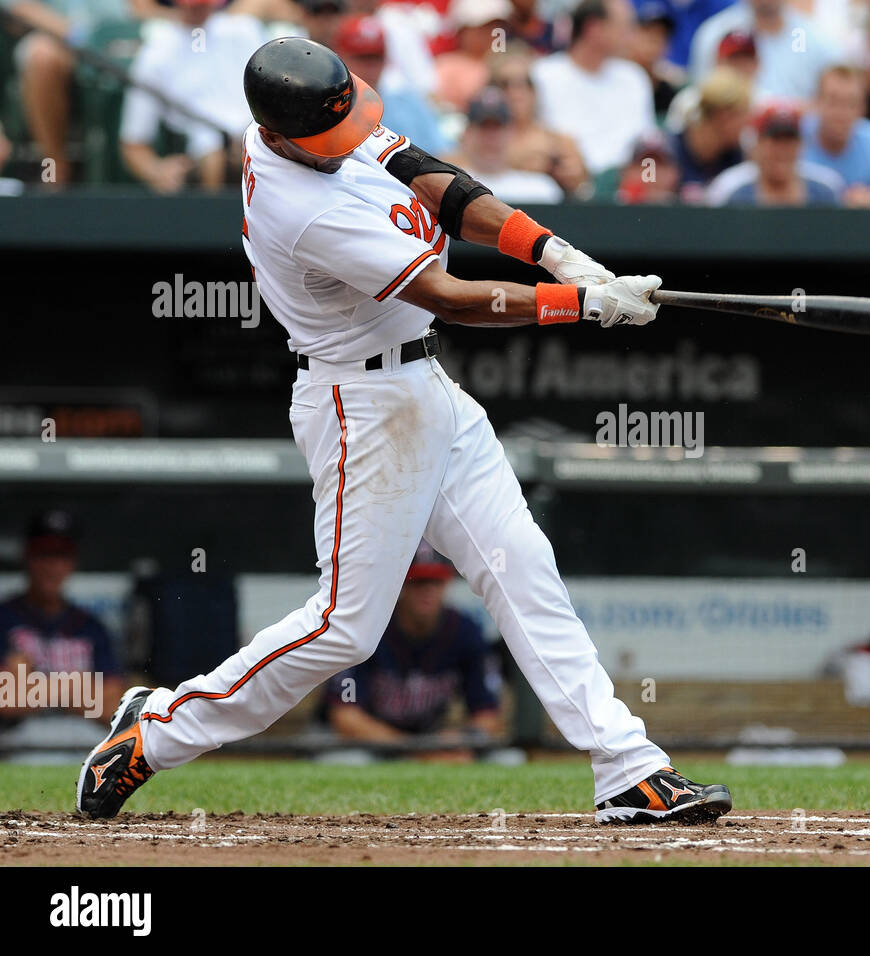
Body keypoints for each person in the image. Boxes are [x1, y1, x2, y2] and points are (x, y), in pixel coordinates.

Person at [77, 37, 731, 827]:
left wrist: (554, 252)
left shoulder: (317, 124)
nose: (351, 137)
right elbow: (451, 296)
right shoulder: (298, 204)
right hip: (362, 403)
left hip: (425, 386)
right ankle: (158, 730)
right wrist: (580, 305)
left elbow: (437, 183)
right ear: (280, 137)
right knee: (345, 628)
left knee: (521, 564)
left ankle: (627, 766)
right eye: (331, 135)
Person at [325, 544, 501, 746]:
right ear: (401, 585)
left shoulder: (465, 632)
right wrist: (413, 749)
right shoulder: (368, 628)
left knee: (507, 759)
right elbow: (345, 717)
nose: (427, 591)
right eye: (418, 581)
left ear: (446, 584)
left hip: (431, 739)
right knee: (349, 761)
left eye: (435, 581)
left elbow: (487, 715)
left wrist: (462, 738)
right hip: (369, 743)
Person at [6, 0, 165, 188]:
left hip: (120, 42)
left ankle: (156, 162)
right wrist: (72, 33)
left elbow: (143, 10)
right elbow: (19, 6)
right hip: (63, 40)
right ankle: (56, 168)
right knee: (41, 56)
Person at [119, 0, 268, 192]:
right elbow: (134, 143)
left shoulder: (245, 30)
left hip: (258, 144)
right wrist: (156, 170)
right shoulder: (156, 52)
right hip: (195, 162)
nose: (197, 7)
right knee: (213, 157)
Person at [0, 511, 125, 730]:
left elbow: (115, 708)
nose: (52, 566)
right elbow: (5, 701)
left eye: (61, 555)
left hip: (84, 745)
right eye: (43, 554)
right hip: (16, 748)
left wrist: (32, 688)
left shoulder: (91, 628)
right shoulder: (5, 619)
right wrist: (78, 688)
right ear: (27, 557)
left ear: (72, 562)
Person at [531, 0, 656, 176]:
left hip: (626, 189)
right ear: (594, 28)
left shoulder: (634, 77)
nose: (632, 36)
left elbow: (647, 142)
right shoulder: (542, 75)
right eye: (624, 27)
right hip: (562, 187)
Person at [333, 13, 447, 153]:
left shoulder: (408, 102)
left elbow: (445, 153)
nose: (370, 67)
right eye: (361, 58)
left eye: (376, 58)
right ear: (340, 58)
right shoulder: (326, 105)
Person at [802, 64, 870, 207]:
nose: (841, 112)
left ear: (863, 108)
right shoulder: (791, 138)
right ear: (817, 102)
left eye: (851, 103)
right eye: (833, 101)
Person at [689, 0, 840, 100]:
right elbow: (701, 99)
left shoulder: (819, 41)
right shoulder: (715, 34)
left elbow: (833, 106)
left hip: (796, 140)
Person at [491, 46, 589, 195]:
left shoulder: (559, 142)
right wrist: (520, 161)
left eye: (525, 83)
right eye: (505, 84)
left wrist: (568, 174)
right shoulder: (477, 138)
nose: (516, 93)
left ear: (535, 91)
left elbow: (582, 187)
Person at [708, 102, 843, 204]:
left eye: (789, 141)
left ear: (801, 145)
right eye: (775, 141)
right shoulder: (731, 189)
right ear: (758, 144)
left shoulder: (825, 190)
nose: (782, 150)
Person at [451, 86, 563, 203]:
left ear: (511, 133)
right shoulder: (452, 188)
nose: (490, 138)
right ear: (467, 133)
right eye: (483, 127)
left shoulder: (541, 189)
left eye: (497, 128)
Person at [670, 66, 750, 201]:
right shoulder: (665, 153)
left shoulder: (739, 158)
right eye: (743, 115)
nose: (747, 124)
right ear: (724, 116)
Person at [435, 0, 511, 113]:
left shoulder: (509, 63)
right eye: (483, 27)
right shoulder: (445, 67)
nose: (491, 32)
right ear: (463, 30)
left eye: (496, 26)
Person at [627, 0, 686, 117]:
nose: (655, 40)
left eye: (662, 35)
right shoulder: (616, 78)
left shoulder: (668, 91)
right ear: (631, 35)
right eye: (647, 32)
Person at [616, 130, 683, 202]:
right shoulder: (610, 205)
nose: (651, 174)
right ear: (627, 171)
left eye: (659, 166)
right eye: (644, 165)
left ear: (675, 172)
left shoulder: (690, 203)